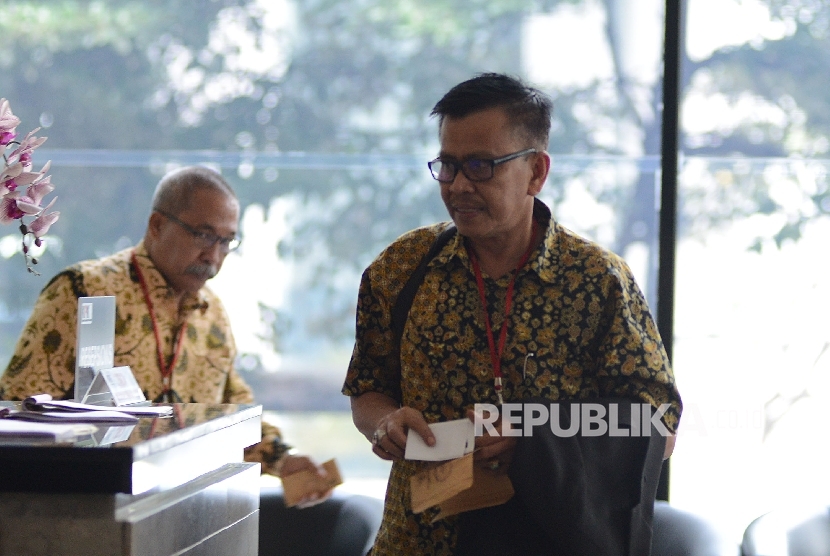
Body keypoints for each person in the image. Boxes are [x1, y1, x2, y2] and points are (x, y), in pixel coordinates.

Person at [342, 73, 683, 554]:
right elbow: (367, 388)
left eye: (482, 166)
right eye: (448, 165)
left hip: (546, 537)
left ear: (537, 172)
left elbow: (658, 426)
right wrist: (384, 422)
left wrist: (534, 434)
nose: (459, 185)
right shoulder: (402, 268)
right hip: (418, 542)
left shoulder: (597, 280)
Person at [0, 165, 324, 489]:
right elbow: (18, 410)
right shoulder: (84, 292)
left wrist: (283, 460)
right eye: (204, 235)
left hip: (187, 506)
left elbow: (229, 412)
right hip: (93, 502)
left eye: (226, 242)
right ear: (157, 225)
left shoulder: (212, 315)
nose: (214, 255)